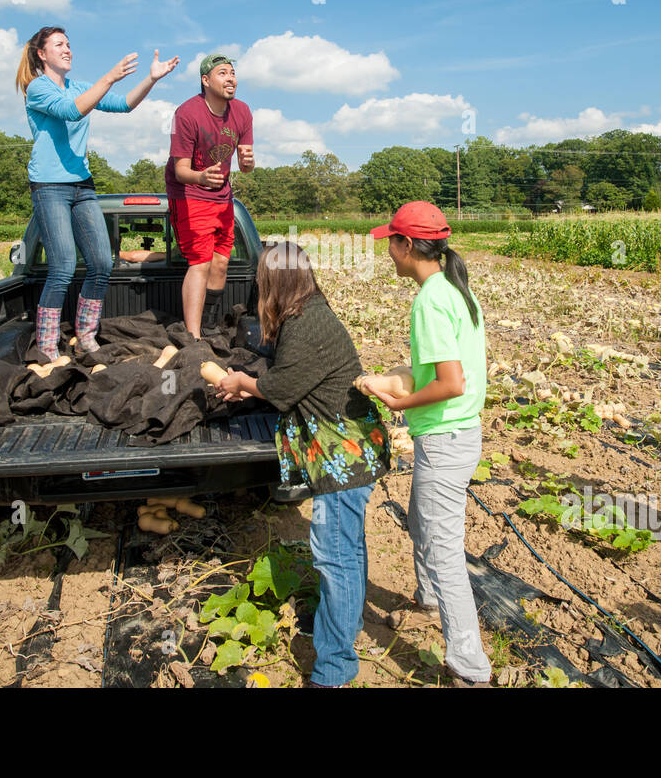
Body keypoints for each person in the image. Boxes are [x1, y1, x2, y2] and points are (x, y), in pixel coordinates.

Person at [213, 242, 391, 688]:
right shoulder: (306, 311)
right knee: (346, 550)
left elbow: (282, 388)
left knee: (335, 556)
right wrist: (249, 385)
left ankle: (335, 668)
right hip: (346, 447)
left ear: (276, 282)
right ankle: (341, 621)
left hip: (342, 456)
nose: (257, 286)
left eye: (260, 280)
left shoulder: (305, 326)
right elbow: (280, 381)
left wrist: (241, 381)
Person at [365, 201, 493, 687]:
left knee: (445, 552)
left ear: (407, 246)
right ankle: (428, 597)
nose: (388, 253)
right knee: (422, 520)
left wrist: (399, 400)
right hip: (460, 434)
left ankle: (469, 666)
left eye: (391, 243)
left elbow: (451, 382)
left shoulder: (430, 300)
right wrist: (404, 379)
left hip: (444, 436)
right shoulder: (455, 289)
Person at [18, 26, 178, 358]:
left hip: (82, 185)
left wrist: (150, 79)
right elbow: (71, 111)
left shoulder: (78, 87)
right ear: (41, 54)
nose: (68, 49)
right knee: (62, 265)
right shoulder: (37, 88)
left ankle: (87, 337)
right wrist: (110, 76)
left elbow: (124, 105)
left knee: (101, 262)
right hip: (49, 186)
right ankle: (48, 347)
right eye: (59, 44)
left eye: (69, 44)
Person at [165, 53, 254, 337]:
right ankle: (193, 336)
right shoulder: (187, 113)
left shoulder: (242, 112)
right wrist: (202, 176)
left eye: (233, 73)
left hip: (221, 195)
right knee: (200, 262)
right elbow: (180, 170)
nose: (231, 78)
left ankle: (209, 323)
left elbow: (246, 166)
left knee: (221, 262)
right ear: (205, 81)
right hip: (188, 192)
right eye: (223, 73)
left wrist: (249, 163)